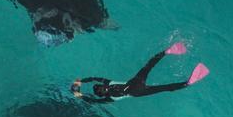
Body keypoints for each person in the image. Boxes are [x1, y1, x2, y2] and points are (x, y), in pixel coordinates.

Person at [70, 42, 208, 103]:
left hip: (137, 92)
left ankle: (187, 83)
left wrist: (78, 94)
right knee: (149, 65)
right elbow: (96, 78)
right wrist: (80, 81)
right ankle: (168, 51)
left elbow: (92, 101)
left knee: (164, 88)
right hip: (135, 82)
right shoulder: (109, 83)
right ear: (104, 88)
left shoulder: (109, 99)